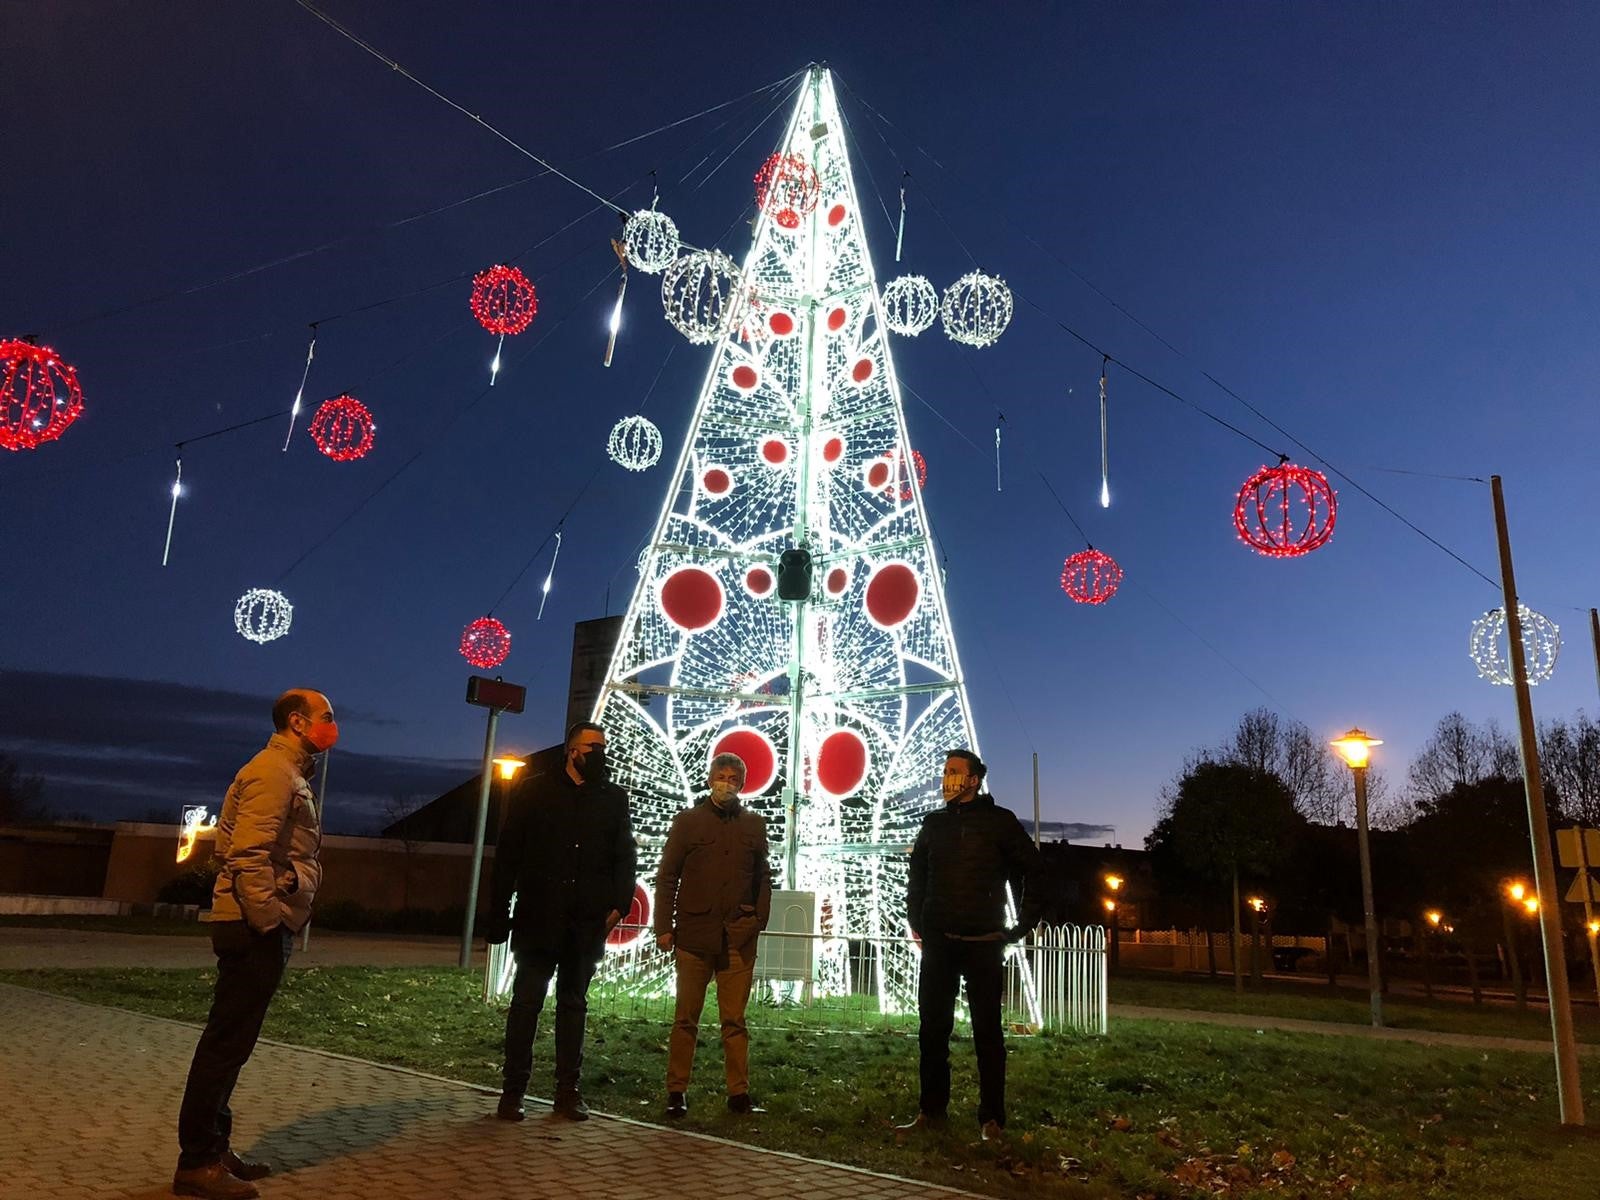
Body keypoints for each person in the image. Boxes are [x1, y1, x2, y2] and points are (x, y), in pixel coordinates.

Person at [173, 689, 333, 1200]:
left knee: (234, 1043)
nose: (334, 726)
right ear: (298, 721)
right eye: (327, 717)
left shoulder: (287, 772)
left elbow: (236, 845)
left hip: (257, 923)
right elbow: (244, 855)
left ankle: (215, 1147)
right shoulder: (273, 772)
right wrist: (269, 921)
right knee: (225, 1043)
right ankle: (196, 1163)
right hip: (252, 926)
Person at [485, 721, 636, 1122]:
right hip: (539, 919)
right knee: (526, 1004)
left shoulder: (612, 799)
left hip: (585, 924)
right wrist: (498, 911)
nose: (599, 753)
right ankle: (513, 1090)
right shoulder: (534, 791)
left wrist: (619, 905)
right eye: (592, 746)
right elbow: (509, 855)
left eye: (603, 746)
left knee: (573, 1006)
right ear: (572, 751)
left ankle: (568, 1092)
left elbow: (625, 854)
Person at [899, 749, 1043, 1142]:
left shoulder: (999, 823)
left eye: (955, 772)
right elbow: (918, 874)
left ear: (975, 780)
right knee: (932, 1030)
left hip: (983, 942)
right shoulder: (934, 824)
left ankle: (992, 1118)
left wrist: (1022, 925)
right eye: (945, 771)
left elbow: (1035, 868)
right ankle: (931, 1110)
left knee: (987, 1034)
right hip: (940, 943)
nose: (947, 778)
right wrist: (918, 919)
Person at [653, 752, 772, 1118]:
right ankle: (677, 1090)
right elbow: (668, 875)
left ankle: (739, 1092)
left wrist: (758, 922)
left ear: (742, 784)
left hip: (738, 938)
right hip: (694, 936)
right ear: (709, 779)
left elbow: (762, 877)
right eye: (721, 776)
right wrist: (663, 927)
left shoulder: (754, 825)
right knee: (686, 1017)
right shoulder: (687, 822)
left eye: (734, 778)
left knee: (734, 1020)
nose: (726, 783)